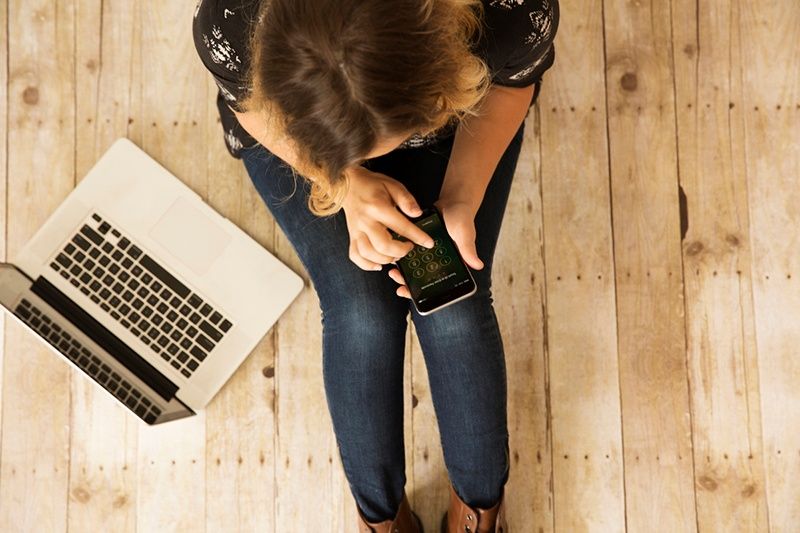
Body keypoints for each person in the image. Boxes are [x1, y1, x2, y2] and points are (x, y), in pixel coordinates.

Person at [193, 0, 559, 531]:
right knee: (360, 312)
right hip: (299, 143)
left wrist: (462, 193)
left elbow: (511, 84)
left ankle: (479, 509)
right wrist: (344, 183)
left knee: (455, 307)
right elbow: (247, 106)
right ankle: (381, 520)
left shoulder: (511, 11)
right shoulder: (231, 20)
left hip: (455, 128)